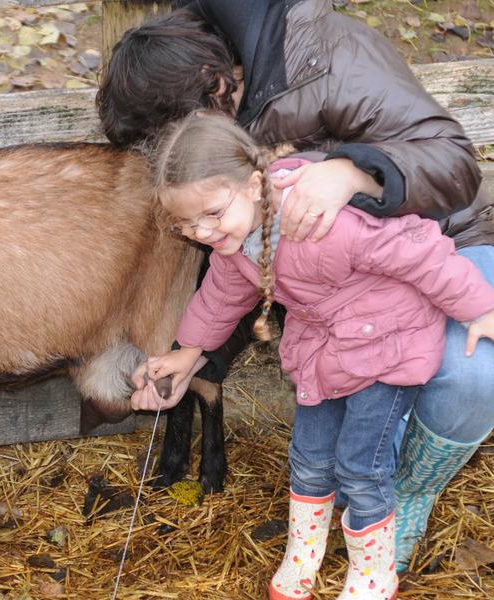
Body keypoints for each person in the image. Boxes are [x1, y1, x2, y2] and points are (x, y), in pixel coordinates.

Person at [100, 0, 494, 571]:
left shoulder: (326, 56)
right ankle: (360, 490)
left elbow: (456, 163)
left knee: (473, 372)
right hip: (336, 290)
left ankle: (408, 491)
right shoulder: (216, 135)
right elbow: (233, 275)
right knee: (338, 380)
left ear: (216, 88)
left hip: (443, 245)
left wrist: (357, 171)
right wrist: (191, 356)